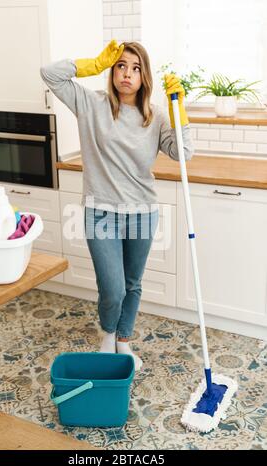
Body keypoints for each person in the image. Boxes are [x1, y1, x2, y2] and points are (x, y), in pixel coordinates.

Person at [40, 39, 193, 371]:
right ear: (111, 71)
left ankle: (123, 340)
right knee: (112, 288)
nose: (127, 73)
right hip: (101, 212)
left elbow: (183, 154)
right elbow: (49, 74)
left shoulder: (154, 117)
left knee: (132, 284)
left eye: (136, 68)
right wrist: (91, 63)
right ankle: (108, 333)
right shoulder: (91, 105)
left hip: (142, 214)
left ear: (144, 77)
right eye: (121, 65)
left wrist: (179, 108)